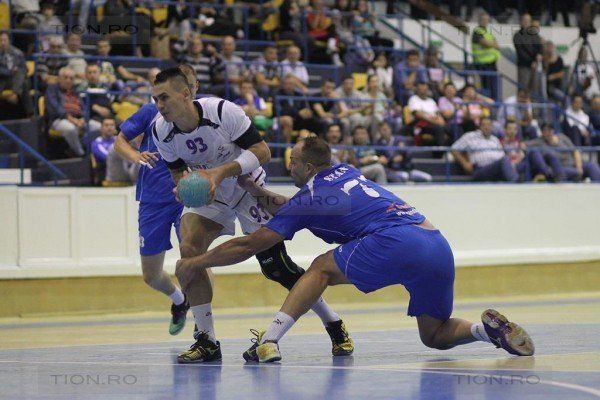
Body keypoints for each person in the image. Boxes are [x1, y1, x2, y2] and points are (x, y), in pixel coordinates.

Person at [175, 136, 535, 363]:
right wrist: (256, 191)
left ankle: (269, 341)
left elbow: (251, 243)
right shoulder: (346, 173)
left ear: (308, 166)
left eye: (293, 163)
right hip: (435, 243)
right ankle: (487, 332)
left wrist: (195, 262)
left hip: (395, 240)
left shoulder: (310, 197)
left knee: (320, 268)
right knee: (435, 336)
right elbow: (299, 207)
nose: (289, 167)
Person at [150, 68, 353, 363]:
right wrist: (183, 188)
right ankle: (206, 340)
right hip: (210, 191)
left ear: (185, 94)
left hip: (248, 187)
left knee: (277, 268)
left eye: (164, 97)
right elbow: (177, 172)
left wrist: (221, 173)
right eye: (155, 99)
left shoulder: (222, 111)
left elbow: (262, 151)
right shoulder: (160, 130)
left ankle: (333, 322)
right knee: (190, 249)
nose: (159, 105)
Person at [114, 65, 198, 337]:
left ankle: (204, 325)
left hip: (187, 197)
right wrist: (136, 156)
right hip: (152, 200)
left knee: (195, 260)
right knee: (151, 275)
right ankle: (180, 301)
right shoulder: (151, 113)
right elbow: (120, 141)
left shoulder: (203, 114)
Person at [451, 117, 519, 182]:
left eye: (489, 125)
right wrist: (464, 163)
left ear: (492, 127)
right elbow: (454, 148)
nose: (487, 127)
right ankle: (516, 184)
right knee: (505, 160)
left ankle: (517, 182)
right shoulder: (470, 136)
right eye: (484, 125)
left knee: (518, 162)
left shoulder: (495, 139)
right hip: (481, 169)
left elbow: (502, 156)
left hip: (496, 169)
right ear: (479, 127)